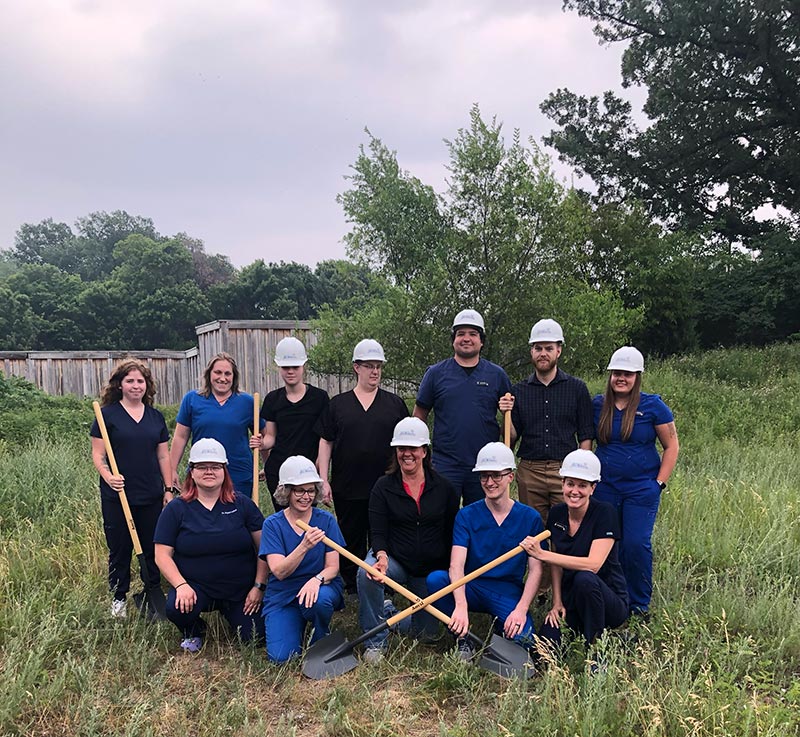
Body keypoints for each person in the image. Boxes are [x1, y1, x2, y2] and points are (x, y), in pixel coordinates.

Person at [426, 443, 544, 659]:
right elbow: (456, 565)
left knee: (525, 641)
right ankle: (463, 638)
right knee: (436, 581)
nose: (490, 482)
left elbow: (536, 570)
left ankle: (503, 627)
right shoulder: (467, 515)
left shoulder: (530, 518)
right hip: (472, 584)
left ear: (510, 476)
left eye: (496, 476)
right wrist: (460, 605)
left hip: (506, 591)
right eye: (484, 476)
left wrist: (521, 610)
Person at [502, 319, 594, 593]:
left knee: (567, 529)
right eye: (538, 348)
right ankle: (540, 589)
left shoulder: (577, 389)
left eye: (548, 348)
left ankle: (567, 586)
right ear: (531, 352)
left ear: (559, 351)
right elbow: (512, 437)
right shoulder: (518, 391)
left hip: (566, 473)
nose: (543, 353)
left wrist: (580, 475)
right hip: (529, 470)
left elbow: (586, 435)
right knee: (535, 531)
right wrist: (505, 412)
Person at [358, 417, 460, 663]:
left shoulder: (445, 489)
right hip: (397, 562)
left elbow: (451, 533)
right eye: (402, 448)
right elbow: (378, 532)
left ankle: (390, 613)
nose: (407, 454)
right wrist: (381, 558)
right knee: (367, 572)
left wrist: (450, 569)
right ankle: (375, 641)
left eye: (413, 448)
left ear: (424, 451)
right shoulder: (383, 488)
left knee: (425, 635)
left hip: (431, 572)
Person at [154, 439, 267, 652]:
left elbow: (265, 549)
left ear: (224, 471)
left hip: (240, 589)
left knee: (254, 637)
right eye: (202, 467)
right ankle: (194, 629)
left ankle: (234, 616)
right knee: (176, 608)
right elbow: (161, 554)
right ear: (191, 472)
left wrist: (259, 586)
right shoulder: (176, 509)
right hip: (196, 587)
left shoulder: (242, 504)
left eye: (215, 467)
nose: (209, 471)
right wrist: (180, 585)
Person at [315, 339, 409, 594]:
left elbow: (408, 444)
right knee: (349, 536)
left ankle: (386, 582)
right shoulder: (338, 405)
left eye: (378, 366)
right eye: (369, 366)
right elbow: (326, 441)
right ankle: (351, 583)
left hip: (387, 486)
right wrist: (323, 479)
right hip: (348, 484)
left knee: (384, 536)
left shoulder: (394, 404)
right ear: (356, 367)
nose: (375, 371)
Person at [592, 346, 680, 616]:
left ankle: (639, 603)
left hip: (641, 488)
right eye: (617, 373)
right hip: (605, 487)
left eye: (628, 374)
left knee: (635, 544)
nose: (622, 378)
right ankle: (611, 598)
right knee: (608, 544)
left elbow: (672, 445)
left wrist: (659, 483)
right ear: (610, 375)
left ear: (637, 377)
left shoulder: (653, 406)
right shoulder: (598, 405)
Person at [521, 450, 628, 648]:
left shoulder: (605, 513)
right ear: (562, 484)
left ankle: (597, 648)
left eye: (582, 486)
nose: (574, 491)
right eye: (570, 484)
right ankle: (583, 632)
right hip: (572, 600)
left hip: (607, 601)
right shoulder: (557, 513)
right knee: (545, 647)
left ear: (593, 488)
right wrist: (557, 602)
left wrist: (542, 554)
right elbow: (556, 564)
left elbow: (593, 565)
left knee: (585, 578)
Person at [90, 358, 172, 619]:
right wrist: (108, 476)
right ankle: (118, 597)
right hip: (118, 495)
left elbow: (163, 457)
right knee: (120, 547)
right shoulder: (106, 416)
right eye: (130, 381)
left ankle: (152, 592)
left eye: (141, 381)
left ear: (147, 386)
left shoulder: (155, 417)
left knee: (153, 546)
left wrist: (168, 489)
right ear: (120, 385)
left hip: (150, 493)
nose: (136, 386)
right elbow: (97, 455)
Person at [414, 309, 512, 505]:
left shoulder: (497, 375)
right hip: (445, 464)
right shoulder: (435, 373)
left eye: (473, 334)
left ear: (481, 341)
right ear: (453, 340)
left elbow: (511, 429)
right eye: (461, 334)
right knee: (442, 519)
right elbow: (419, 416)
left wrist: (505, 413)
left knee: (482, 519)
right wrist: (421, 456)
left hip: (486, 465)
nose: (466, 339)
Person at [259, 456, 345, 663]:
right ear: (286, 492)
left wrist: (316, 581)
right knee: (282, 658)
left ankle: (320, 636)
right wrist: (304, 546)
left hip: (319, 588)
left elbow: (333, 568)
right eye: (299, 490)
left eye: (311, 490)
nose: (306, 496)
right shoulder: (272, 525)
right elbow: (279, 571)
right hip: (284, 594)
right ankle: (295, 624)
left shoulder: (326, 520)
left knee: (320, 601)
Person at [170, 352, 264, 498]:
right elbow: (180, 437)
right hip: (202, 473)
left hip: (238, 474)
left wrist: (267, 466)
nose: (223, 378)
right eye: (218, 372)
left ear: (234, 377)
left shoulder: (247, 402)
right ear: (209, 374)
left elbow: (264, 437)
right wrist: (172, 469)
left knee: (235, 516)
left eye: (228, 373)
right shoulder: (192, 399)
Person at [254, 337, 329, 512]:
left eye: (295, 367)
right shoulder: (273, 399)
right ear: (279, 368)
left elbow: (323, 439)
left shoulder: (319, 398)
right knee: (283, 519)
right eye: (286, 367)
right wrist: (261, 443)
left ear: (303, 367)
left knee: (306, 517)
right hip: (278, 472)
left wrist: (319, 470)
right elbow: (271, 437)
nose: (290, 371)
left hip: (307, 473)